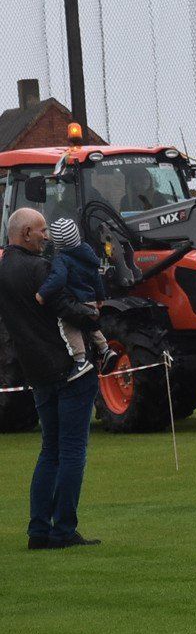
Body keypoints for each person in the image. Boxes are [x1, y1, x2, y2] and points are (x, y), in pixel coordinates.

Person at [0, 207, 102, 550]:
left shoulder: (4, 269)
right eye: (42, 230)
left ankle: (39, 530)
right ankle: (63, 530)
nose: (47, 236)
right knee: (73, 451)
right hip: (70, 369)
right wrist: (92, 316)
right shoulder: (42, 268)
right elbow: (65, 306)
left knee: (50, 451)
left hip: (36, 371)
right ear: (26, 233)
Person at [42, 217, 111, 379]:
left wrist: (42, 293)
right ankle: (106, 349)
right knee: (91, 326)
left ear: (59, 242)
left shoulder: (61, 258)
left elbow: (57, 279)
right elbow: (96, 278)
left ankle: (80, 361)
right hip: (92, 299)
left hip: (76, 302)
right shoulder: (87, 252)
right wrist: (100, 297)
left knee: (68, 326)